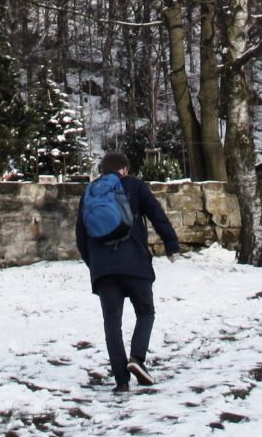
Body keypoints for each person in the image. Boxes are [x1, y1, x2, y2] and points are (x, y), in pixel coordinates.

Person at [75, 150, 182, 393]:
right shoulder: (135, 185)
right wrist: (171, 245)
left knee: (112, 324)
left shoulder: (90, 192)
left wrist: (95, 266)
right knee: (145, 312)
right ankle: (137, 359)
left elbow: (80, 236)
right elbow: (157, 215)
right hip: (135, 264)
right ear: (124, 169)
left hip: (103, 270)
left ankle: (121, 381)